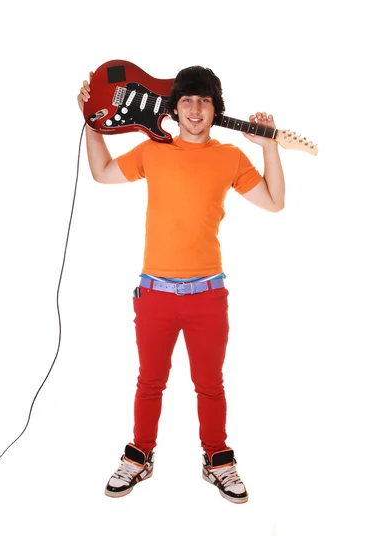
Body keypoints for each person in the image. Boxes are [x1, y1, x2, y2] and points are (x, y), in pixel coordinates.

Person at [77, 65, 285, 504]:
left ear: (216, 110)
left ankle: (218, 461)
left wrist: (269, 148)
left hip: (208, 295)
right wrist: (91, 122)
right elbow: (102, 173)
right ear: (174, 108)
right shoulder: (153, 150)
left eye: (204, 101)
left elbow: (274, 201)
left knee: (210, 383)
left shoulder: (230, 156)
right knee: (149, 381)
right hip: (154, 294)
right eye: (187, 100)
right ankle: (139, 457)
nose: (195, 109)